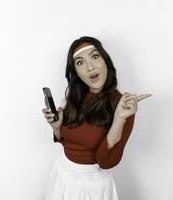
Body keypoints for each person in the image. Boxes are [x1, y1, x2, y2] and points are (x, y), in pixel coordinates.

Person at [42, 36, 152, 200]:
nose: (90, 66)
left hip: (92, 186)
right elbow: (66, 141)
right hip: (62, 174)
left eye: (95, 57)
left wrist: (119, 119)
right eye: (80, 63)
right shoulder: (75, 96)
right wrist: (57, 127)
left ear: (105, 61)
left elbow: (105, 162)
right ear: (77, 73)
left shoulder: (123, 107)